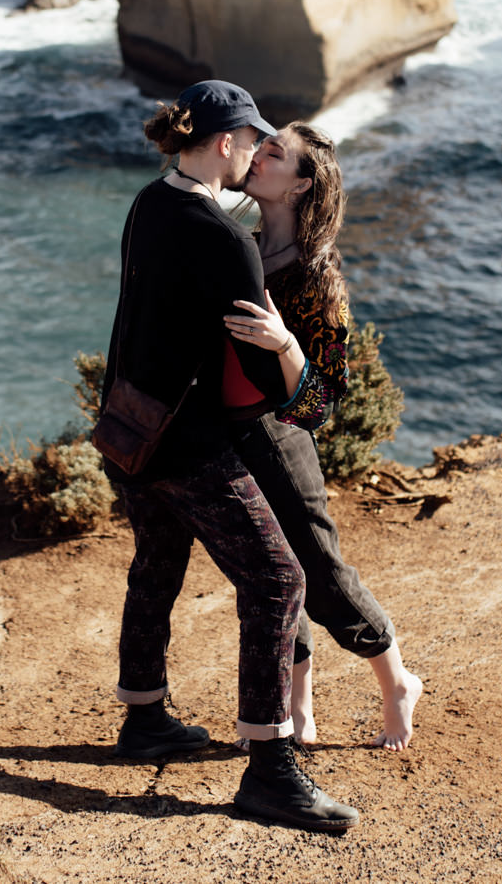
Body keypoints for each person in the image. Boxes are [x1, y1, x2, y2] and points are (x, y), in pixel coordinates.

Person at [103, 79, 359, 833]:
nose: (254, 153)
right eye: (252, 140)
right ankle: (271, 771)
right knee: (280, 579)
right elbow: (263, 382)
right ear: (225, 143)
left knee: (156, 563)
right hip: (190, 443)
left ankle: (144, 717)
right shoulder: (222, 238)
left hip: (129, 429)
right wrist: (289, 359)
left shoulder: (150, 202)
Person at [220, 122, 424, 749]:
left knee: (322, 573)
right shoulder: (244, 248)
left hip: (281, 440)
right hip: (229, 436)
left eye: (274, 152)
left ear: (301, 183)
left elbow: (321, 404)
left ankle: (395, 681)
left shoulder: (317, 279)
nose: (258, 155)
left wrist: (285, 344)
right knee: (267, 577)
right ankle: (299, 707)